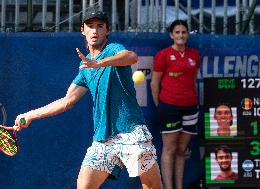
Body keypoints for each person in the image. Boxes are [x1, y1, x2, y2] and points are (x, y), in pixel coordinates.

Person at [13, 7, 163, 189]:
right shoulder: (84, 68)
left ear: (107, 31)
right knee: (84, 186)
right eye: (90, 26)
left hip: (131, 131)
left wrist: (99, 63)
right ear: (82, 30)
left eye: (100, 26)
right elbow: (67, 101)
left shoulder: (113, 49)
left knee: (152, 186)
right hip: (103, 139)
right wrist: (30, 115)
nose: (95, 30)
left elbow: (131, 57)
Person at [151, 20, 200, 189]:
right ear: (172, 35)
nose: (181, 35)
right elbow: (154, 84)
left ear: (187, 34)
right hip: (169, 107)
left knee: (181, 150)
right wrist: (161, 106)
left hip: (191, 107)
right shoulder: (163, 55)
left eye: (184, 32)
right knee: (169, 149)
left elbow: (193, 81)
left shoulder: (194, 55)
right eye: (177, 32)